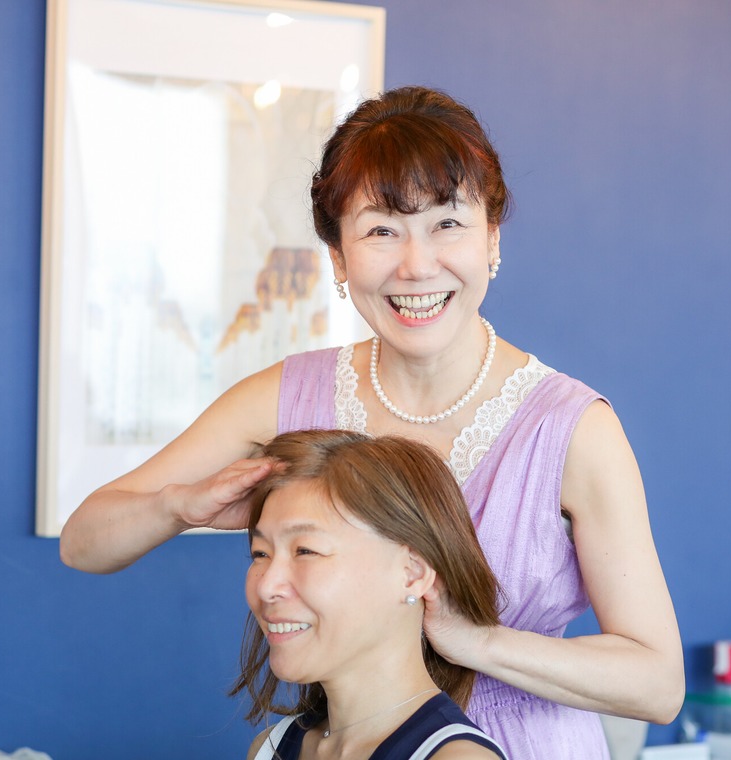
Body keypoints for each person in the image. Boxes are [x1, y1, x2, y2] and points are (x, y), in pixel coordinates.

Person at [60, 85, 684, 757]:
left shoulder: (572, 429)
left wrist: (476, 642)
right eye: (382, 231)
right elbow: (84, 542)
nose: (417, 266)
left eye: (447, 224)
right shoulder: (284, 397)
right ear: (338, 256)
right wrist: (179, 506)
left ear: (492, 239)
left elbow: (657, 685)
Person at [235, 429, 507, 760]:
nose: (266, 586)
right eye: (260, 553)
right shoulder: (269, 749)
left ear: (412, 574)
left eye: (305, 550)